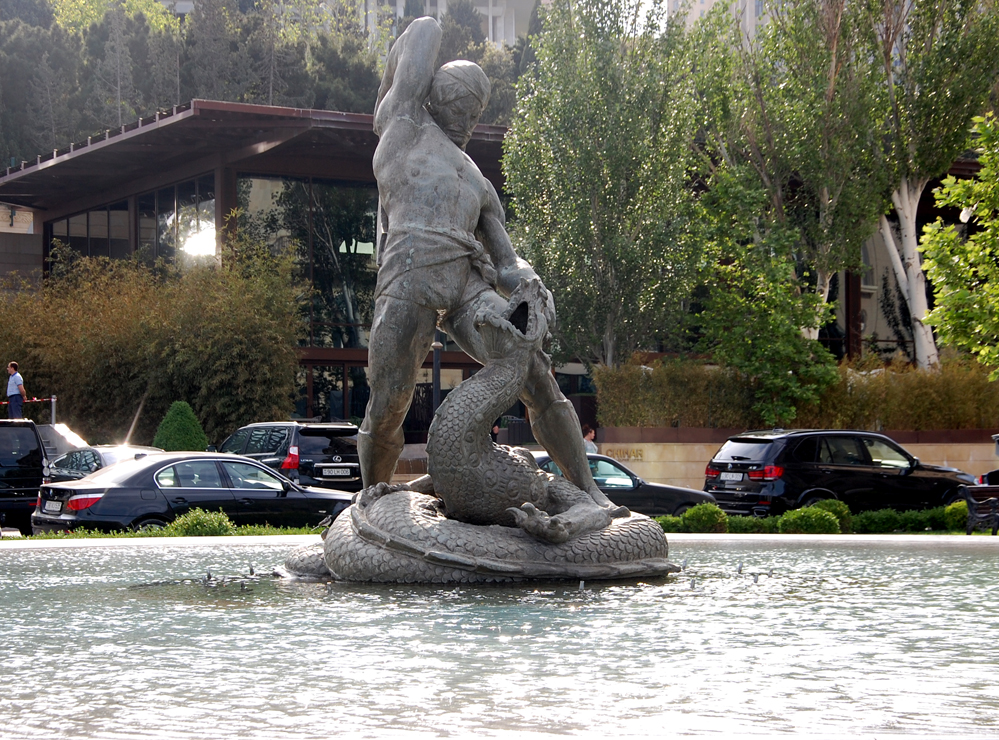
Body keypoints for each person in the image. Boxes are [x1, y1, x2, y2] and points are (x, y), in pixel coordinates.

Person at [362, 16, 622, 531]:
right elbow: (421, 34)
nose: (466, 118)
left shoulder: (477, 180)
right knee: (390, 399)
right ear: (433, 97)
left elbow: (505, 262)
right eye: (458, 104)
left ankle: (591, 492)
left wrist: (528, 283)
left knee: (533, 369)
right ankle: (369, 500)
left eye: (475, 110)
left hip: (466, 284)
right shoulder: (404, 124)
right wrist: (434, 29)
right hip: (408, 278)